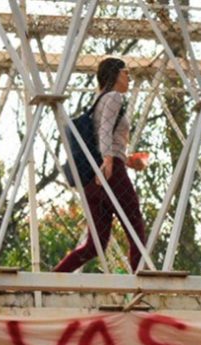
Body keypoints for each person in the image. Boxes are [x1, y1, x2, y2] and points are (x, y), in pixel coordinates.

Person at [53, 57, 148, 273]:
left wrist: (126, 159)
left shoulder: (101, 100)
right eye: (126, 72)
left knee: (94, 245)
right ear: (115, 74)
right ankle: (141, 283)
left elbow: (103, 135)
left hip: (94, 179)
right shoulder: (114, 97)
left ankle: (52, 280)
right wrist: (109, 160)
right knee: (135, 226)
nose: (129, 77)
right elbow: (105, 131)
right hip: (111, 174)